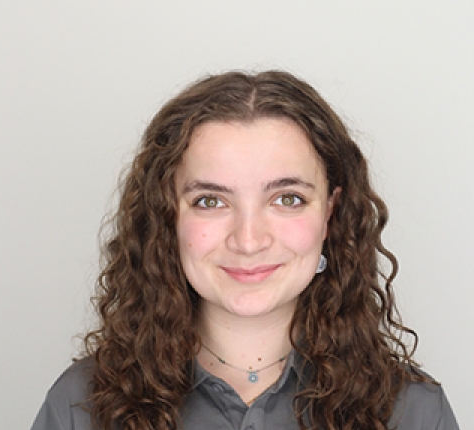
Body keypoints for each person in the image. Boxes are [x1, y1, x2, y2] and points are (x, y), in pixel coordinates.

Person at [30, 70, 460, 430]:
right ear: (167, 217)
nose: (249, 240)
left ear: (330, 212)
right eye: (210, 201)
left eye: (287, 198)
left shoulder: (414, 412)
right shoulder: (79, 405)